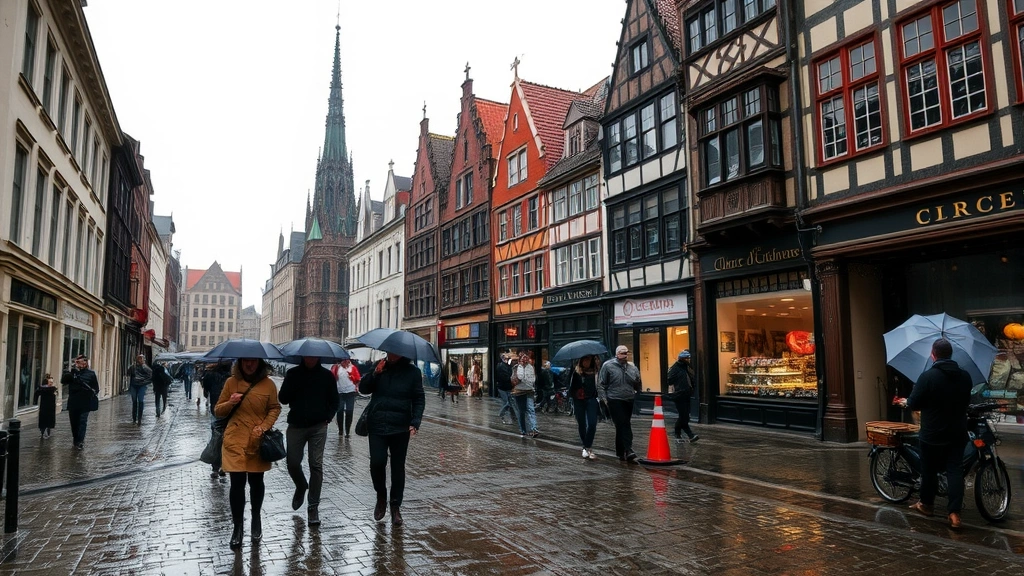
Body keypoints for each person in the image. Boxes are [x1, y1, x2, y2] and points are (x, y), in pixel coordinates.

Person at [898, 338, 972, 529]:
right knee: (955, 470)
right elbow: (965, 401)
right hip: (957, 431)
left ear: (933, 355)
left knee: (929, 469)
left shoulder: (927, 377)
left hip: (933, 433)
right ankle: (954, 514)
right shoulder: (965, 376)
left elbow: (914, 403)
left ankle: (927, 505)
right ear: (951, 354)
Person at [214, 357, 281, 549]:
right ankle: (237, 527)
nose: (249, 365)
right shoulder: (231, 382)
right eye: (245, 362)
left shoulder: (268, 384)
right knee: (236, 484)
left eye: (253, 362)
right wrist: (230, 402)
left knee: (256, 482)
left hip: (256, 441)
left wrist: (264, 426)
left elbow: (275, 408)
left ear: (259, 363)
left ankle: (256, 518)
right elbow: (218, 410)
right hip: (234, 440)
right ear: (240, 363)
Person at [358, 352, 425, 527]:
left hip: (400, 426)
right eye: (389, 352)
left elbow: (419, 398)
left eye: (395, 352)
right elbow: (363, 389)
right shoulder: (379, 366)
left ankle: (395, 506)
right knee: (377, 463)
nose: (391, 355)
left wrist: (415, 421)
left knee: (397, 467)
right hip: (377, 424)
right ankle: (381, 495)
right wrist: (375, 373)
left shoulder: (413, 372)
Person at [279, 356, 339, 527]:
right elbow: (283, 398)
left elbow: (335, 400)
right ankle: (300, 485)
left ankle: (313, 507)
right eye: (308, 355)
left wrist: (328, 417)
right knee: (292, 463)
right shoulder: (292, 374)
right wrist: (293, 385)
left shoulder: (326, 376)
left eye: (314, 356)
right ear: (303, 357)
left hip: (318, 426)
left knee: (316, 464)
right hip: (296, 425)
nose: (311, 358)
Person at [599, 345, 642, 462]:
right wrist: (604, 399)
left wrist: (637, 386)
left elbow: (637, 382)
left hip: (628, 398)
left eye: (626, 353)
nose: (625, 356)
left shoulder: (632, 367)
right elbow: (602, 384)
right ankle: (628, 449)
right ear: (617, 354)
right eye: (622, 353)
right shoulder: (608, 366)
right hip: (614, 399)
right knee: (624, 424)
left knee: (622, 425)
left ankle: (620, 452)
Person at [62, 355, 100, 450]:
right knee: (74, 422)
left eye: (80, 362)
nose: (78, 364)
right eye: (77, 362)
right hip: (73, 401)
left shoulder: (91, 374)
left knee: (83, 421)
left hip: (85, 402)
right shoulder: (72, 374)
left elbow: (96, 388)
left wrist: (91, 394)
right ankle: (76, 439)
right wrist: (70, 372)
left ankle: (80, 441)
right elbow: (63, 381)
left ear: (85, 363)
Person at [203, 360, 232, 478]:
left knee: (216, 437)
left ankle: (215, 467)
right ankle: (224, 466)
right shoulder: (232, 377)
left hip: (215, 408)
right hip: (230, 410)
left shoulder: (210, 375)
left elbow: (206, 391)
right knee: (227, 438)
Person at [567, 355, 601, 459]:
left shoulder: (596, 372)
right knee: (581, 423)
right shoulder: (576, 371)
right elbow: (569, 384)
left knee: (592, 424)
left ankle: (587, 446)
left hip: (592, 399)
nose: (587, 362)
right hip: (579, 400)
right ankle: (586, 447)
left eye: (589, 360)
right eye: (585, 360)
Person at [667, 350, 699, 442]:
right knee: (683, 416)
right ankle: (689, 435)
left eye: (688, 358)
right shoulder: (675, 368)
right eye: (686, 358)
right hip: (679, 395)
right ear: (681, 359)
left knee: (685, 416)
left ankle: (679, 434)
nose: (688, 360)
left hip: (687, 394)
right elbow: (670, 380)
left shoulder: (687, 367)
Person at [511, 352, 538, 437]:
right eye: (523, 358)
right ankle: (523, 429)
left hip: (529, 390)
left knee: (531, 409)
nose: (525, 360)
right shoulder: (516, 367)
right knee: (522, 411)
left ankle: (534, 428)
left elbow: (533, 379)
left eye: (526, 358)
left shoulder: (531, 367)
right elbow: (517, 377)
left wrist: (528, 381)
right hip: (519, 391)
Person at [332, 358, 360, 437]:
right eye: (343, 360)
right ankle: (341, 430)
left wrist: (356, 386)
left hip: (350, 392)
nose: (345, 362)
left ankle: (347, 431)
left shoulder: (352, 367)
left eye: (346, 360)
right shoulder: (337, 367)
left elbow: (357, 378)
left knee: (349, 411)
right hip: (340, 392)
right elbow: (333, 378)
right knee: (340, 410)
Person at [127, 354, 153, 424]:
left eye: (142, 359)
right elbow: (128, 373)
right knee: (134, 402)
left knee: (140, 401)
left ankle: (139, 419)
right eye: (140, 359)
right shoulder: (133, 367)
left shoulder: (146, 368)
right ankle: (134, 419)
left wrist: (143, 382)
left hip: (141, 386)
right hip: (134, 386)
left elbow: (150, 377)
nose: (141, 360)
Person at [494, 353, 516, 424]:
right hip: (503, 387)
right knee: (507, 403)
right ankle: (502, 415)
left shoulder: (508, 366)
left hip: (508, 387)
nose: (507, 359)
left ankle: (513, 418)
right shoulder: (500, 366)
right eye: (506, 358)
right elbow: (503, 376)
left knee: (510, 403)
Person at [36, 374, 57, 438]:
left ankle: (43, 433)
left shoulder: (42, 389)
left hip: (45, 407)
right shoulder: (52, 389)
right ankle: (46, 433)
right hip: (49, 408)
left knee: (44, 420)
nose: (51, 383)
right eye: (50, 382)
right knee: (48, 421)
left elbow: (37, 393)